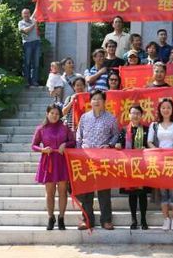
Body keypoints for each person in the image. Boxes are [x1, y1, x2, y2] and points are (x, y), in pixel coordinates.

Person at [75, 89, 120, 230]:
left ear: (104, 101)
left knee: (104, 190)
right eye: (94, 99)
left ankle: (106, 220)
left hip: (102, 159)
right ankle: (87, 220)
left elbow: (116, 135)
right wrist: (78, 152)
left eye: (99, 99)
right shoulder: (84, 117)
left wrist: (110, 145)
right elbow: (79, 136)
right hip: (86, 158)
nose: (96, 101)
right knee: (86, 190)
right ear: (90, 101)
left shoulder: (111, 118)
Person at [32, 104, 75, 230]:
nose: (54, 116)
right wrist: (42, 149)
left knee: (62, 191)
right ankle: (50, 217)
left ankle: (61, 218)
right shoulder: (41, 129)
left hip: (62, 161)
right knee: (49, 192)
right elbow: (33, 145)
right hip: (48, 161)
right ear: (47, 114)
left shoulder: (65, 128)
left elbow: (73, 142)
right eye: (52, 113)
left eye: (57, 114)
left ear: (60, 115)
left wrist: (65, 145)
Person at [148, 99, 173, 230]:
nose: (166, 110)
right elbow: (149, 142)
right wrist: (157, 151)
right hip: (159, 162)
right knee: (163, 192)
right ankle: (166, 219)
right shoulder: (154, 125)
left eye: (168, 107)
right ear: (159, 109)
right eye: (163, 107)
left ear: (172, 110)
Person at [117, 105, 150, 230]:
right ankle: (133, 219)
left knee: (142, 194)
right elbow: (119, 144)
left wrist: (146, 149)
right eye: (133, 113)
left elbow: (151, 145)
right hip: (129, 166)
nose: (135, 115)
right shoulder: (124, 130)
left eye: (138, 113)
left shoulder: (147, 130)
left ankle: (143, 220)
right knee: (132, 194)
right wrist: (118, 145)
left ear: (141, 115)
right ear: (129, 115)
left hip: (143, 166)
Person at [18, 8, 41, 86]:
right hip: (28, 43)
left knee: (36, 63)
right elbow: (26, 31)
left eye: (27, 13)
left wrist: (39, 1)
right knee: (27, 63)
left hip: (37, 43)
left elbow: (36, 10)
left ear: (29, 14)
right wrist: (34, 24)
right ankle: (26, 81)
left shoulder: (32, 20)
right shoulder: (21, 23)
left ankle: (34, 81)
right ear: (22, 15)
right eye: (24, 13)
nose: (26, 15)